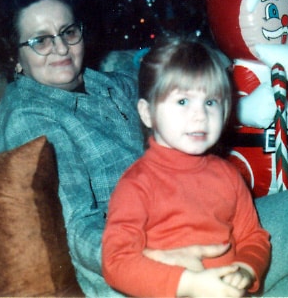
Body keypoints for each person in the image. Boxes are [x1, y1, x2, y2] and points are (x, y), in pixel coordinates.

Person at [0, 0, 288, 297]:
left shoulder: (105, 85)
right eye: (40, 40)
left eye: (67, 31)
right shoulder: (32, 117)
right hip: (140, 268)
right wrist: (156, 258)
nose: (60, 47)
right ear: (15, 57)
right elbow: (76, 221)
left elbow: (181, 80)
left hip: (200, 230)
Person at [102, 37, 271, 297]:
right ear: (147, 114)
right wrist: (190, 284)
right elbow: (116, 262)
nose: (199, 115)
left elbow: (253, 236)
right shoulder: (136, 184)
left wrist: (246, 269)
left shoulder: (228, 175)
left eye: (210, 102)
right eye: (182, 101)